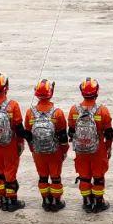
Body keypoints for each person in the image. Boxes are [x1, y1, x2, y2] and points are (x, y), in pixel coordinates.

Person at [69, 77, 113, 213]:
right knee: (98, 176)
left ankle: (87, 201)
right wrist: (108, 147)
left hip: (81, 150)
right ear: (97, 92)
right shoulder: (102, 111)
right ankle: (99, 202)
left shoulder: (74, 110)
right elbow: (109, 133)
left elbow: (71, 131)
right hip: (98, 149)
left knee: (84, 176)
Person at [0, 73, 26, 212]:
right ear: (6, 87)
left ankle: (2, 200)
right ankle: (12, 202)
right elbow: (19, 129)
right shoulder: (12, 105)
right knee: (10, 174)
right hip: (9, 145)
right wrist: (22, 142)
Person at [24, 79, 69, 212]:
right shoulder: (57, 113)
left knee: (43, 176)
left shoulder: (30, 113)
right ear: (51, 93)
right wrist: (64, 151)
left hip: (38, 152)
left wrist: (33, 149)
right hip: (54, 152)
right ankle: (56, 202)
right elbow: (63, 136)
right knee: (55, 177)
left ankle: (45, 200)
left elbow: (28, 134)